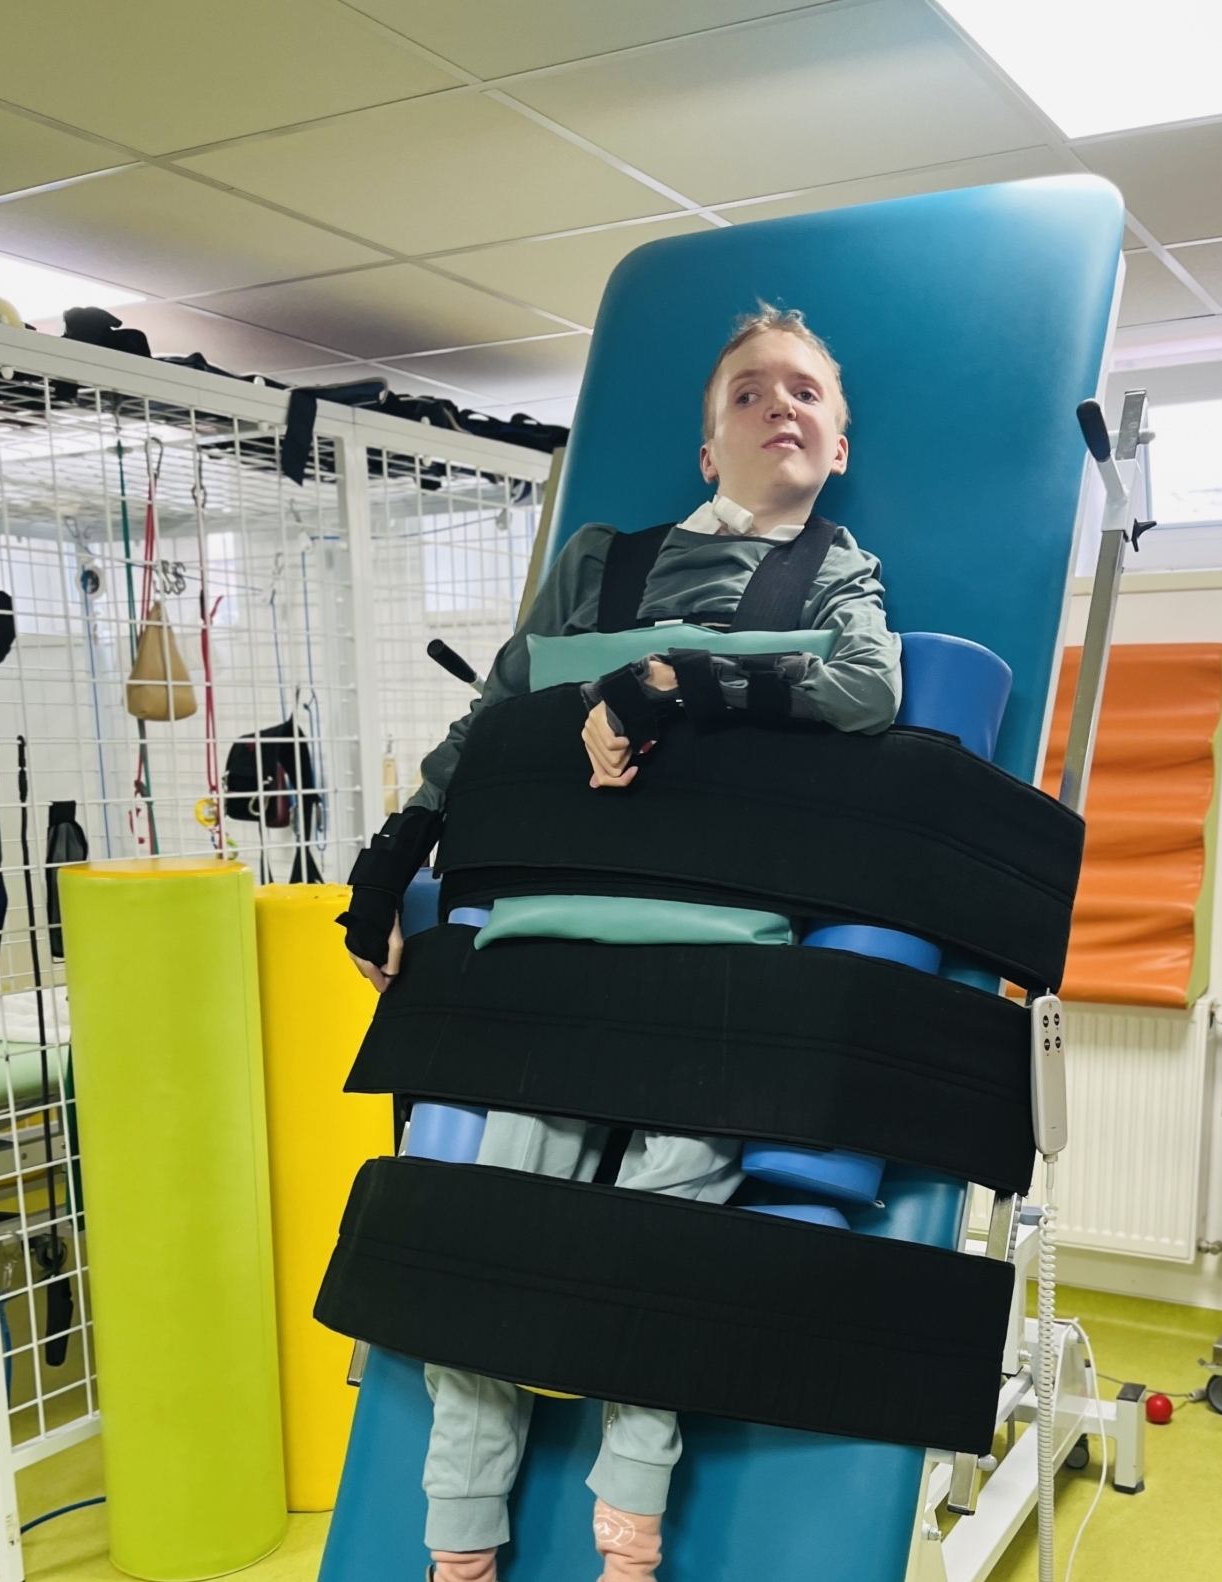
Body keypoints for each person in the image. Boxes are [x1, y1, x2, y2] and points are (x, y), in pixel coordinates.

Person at [348, 305, 901, 1582]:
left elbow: (869, 692)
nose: (779, 405)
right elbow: (499, 714)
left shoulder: (837, 571)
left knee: (661, 1251)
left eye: (805, 392)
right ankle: (459, 1549)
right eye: (749, 392)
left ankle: (627, 1542)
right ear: (709, 449)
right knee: (502, 1241)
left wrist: (673, 682)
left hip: (720, 966)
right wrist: (396, 851)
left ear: (837, 444)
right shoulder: (599, 561)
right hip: (555, 953)